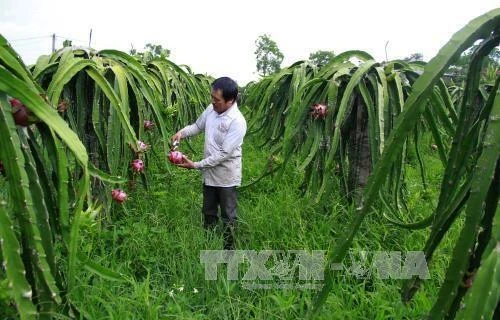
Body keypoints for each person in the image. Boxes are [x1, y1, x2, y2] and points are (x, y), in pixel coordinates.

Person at [171, 77, 247, 250]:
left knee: (228, 215)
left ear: (230, 101)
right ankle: (209, 243)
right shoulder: (211, 110)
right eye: (212, 97)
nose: (212, 102)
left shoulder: (237, 121)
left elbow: (223, 154)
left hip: (227, 175)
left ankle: (229, 251)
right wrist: (181, 133)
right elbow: (197, 126)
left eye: (217, 100)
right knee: (209, 211)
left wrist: (196, 165)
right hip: (209, 173)